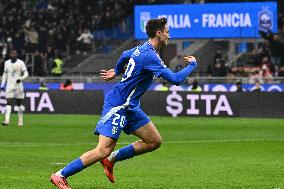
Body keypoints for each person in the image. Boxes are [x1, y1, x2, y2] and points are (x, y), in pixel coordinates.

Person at [50, 17, 198, 189]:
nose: (169, 36)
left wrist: (117, 71)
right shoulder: (150, 56)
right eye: (168, 32)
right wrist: (192, 65)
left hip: (131, 106)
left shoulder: (142, 48)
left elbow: (124, 55)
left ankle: (111, 159)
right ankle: (60, 175)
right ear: (159, 33)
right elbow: (175, 79)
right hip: (119, 105)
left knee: (154, 141)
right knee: (103, 149)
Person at [1, 50, 29, 126]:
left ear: (17, 54)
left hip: (18, 86)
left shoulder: (21, 63)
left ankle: (20, 120)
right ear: (10, 55)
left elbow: (26, 73)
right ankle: (6, 120)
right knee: (8, 102)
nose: (13, 54)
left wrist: (21, 79)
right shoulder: (6, 63)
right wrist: (2, 84)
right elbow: (5, 74)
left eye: (15, 53)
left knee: (19, 103)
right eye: (12, 53)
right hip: (9, 86)